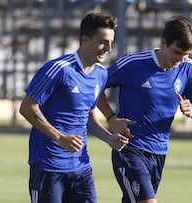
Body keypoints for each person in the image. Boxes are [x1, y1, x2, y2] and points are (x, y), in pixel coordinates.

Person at [19, 13, 129, 203]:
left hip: (81, 167)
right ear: (85, 40)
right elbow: (27, 107)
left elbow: (87, 115)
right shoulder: (59, 69)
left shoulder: (100, 75)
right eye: (103, 42)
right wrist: (59, 137)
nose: (109, 48)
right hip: (48, 166)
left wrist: (107, 137)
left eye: (111, 42)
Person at [97, 16, 192, 203]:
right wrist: (111, 118)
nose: (180, 59)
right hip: (129, 148)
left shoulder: (188, 68)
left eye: (186, 54)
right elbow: (95, 87)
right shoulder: (133, 63)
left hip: (159, 153)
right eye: (177, 52)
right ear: (163, 42)